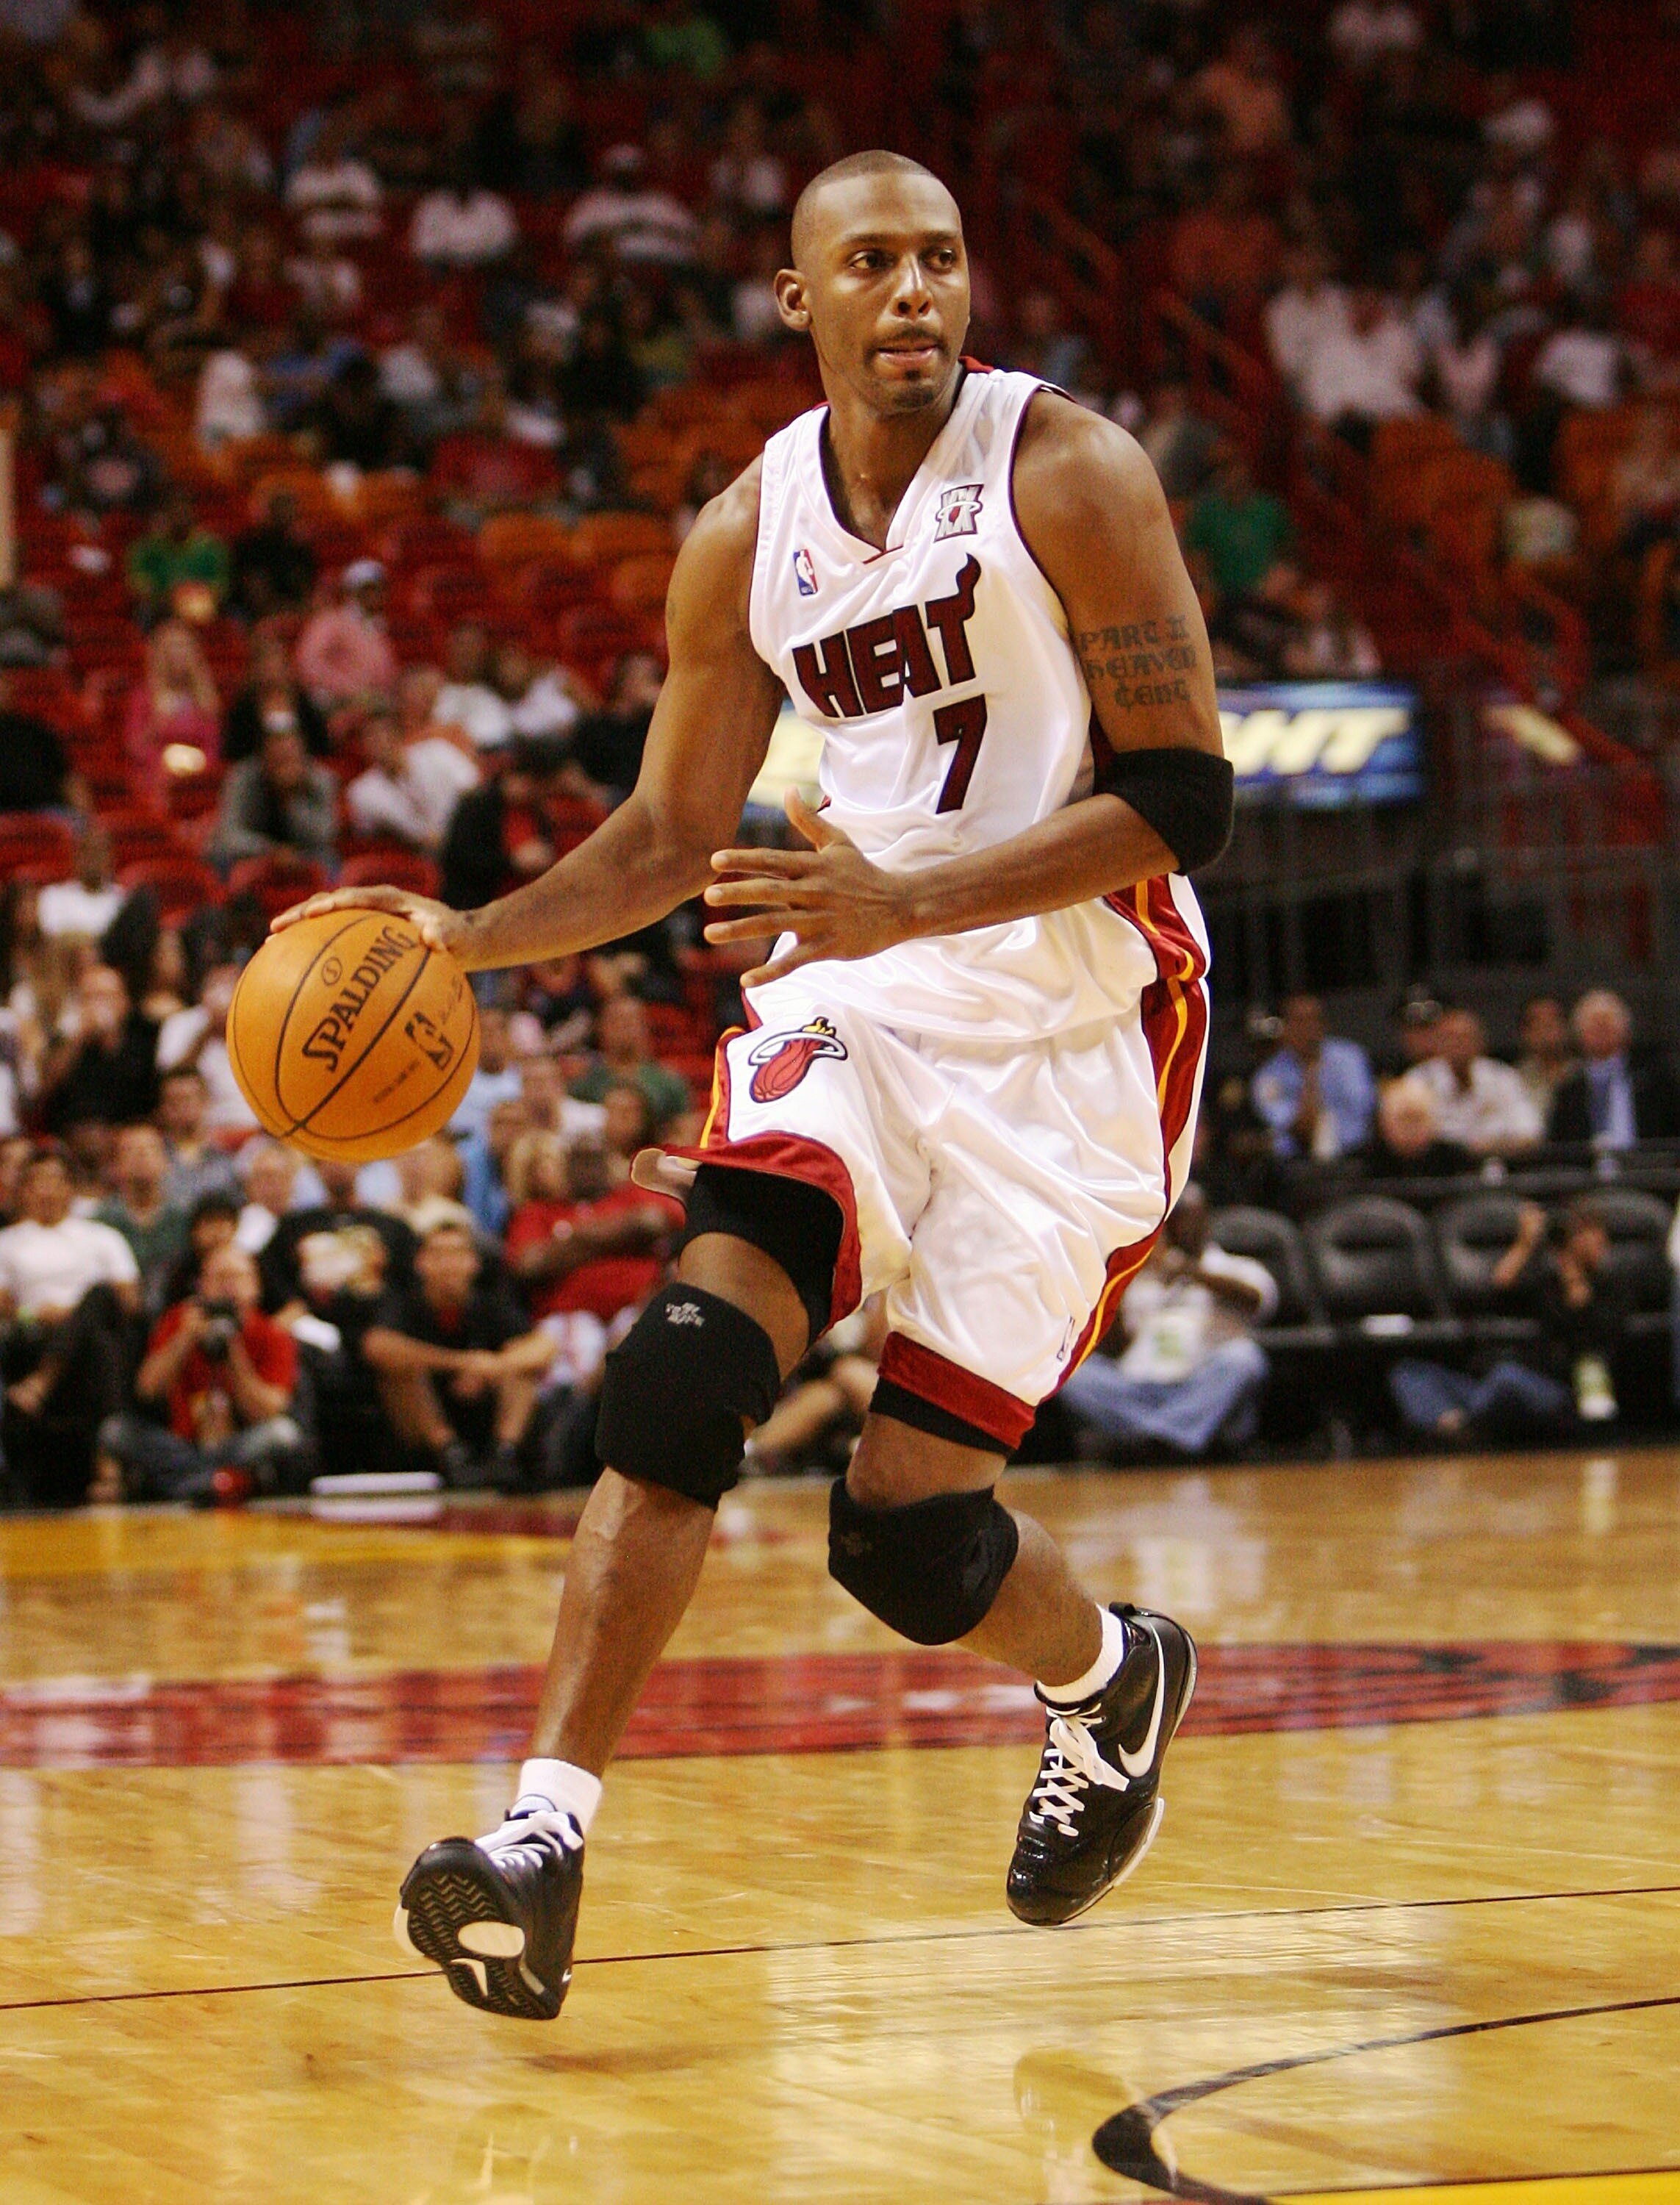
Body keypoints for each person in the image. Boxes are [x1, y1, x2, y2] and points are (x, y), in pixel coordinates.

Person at [279, 151, 1230, 2021]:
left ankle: (1109, 1677)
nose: (912, 296)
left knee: (901, 1533)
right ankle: (541, 1837)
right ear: (795, 299)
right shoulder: (743, 532)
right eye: (868, 264)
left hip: (1080, 1019)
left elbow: (1183, 798)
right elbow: (664, 834)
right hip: (854, 989)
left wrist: (910, 893)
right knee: (688, 1364)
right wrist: (459, 939)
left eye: (941, 260)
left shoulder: (1072, 475)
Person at [1058, 1185, 1274, 1458]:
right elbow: (1117, 1346)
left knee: (1244, 1358)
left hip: (1198, 1385)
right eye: (1176, 1217)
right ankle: (1167, 1437)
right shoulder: (1145, 1277)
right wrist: (1120, 1279)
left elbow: (1253, 1299)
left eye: (1190, 1216)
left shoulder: (1232, 1267)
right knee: (1073, 1374)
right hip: (1140, 1387)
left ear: (1206, 1220)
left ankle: (1153, 1441)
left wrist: (1189, 1271)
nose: (1183, 1225)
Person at [1390, 1200, 1629, 1441]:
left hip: (1559, 1391)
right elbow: (1499, 1291)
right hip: (1503, 1384)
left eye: (1593, 1233)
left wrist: (1574, 1281)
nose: (1591, 1241)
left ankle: (1459, 1423)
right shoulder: (1546, 1283)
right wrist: (1524, 1244)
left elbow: (1594, 1333)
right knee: (1410, 1372)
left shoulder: (1614, 1286)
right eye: (1579, 1234)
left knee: (1507, 1379)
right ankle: (1455, 1424)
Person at [100, 1241, 305, 1505]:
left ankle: (191, 1485)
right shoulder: (178, 1321)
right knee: (116, 1431)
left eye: (238, 1277)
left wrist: (234, 1354)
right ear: (202, 1285)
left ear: (256, 1286)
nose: (228, 1286)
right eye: (219, 1277)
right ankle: (216, 1483)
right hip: (181, 1443)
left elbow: (269, 1410)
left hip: (238, 1444)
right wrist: (184, 1339)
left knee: (282, 1434)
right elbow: (147, 1390)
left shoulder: (272, 1334)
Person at [361, 1217, 553, 1485]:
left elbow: (543, 1347)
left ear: (474, 1263)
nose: (449, 1265)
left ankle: (504, 1453)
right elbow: (377, 1346)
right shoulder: (404, 1303)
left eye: (458, 1254)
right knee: (400, 1371)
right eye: (439, 1255)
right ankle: (450, 1454)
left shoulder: (492, 1302)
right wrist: (461, 1363)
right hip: (424, 1420)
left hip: (485, 1408)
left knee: (522, 1369)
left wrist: (493, 1367)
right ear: (421, 1263)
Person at [0, 1144, 140, 1506]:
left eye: (55, 1181)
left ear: (71, 1189)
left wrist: (71, 1315)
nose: (46, 1190)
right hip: (33, 1335)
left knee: (98, 1300)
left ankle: (42, 1383)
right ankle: (105, 1468)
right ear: (24, 1190)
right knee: (94, 1344)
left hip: (95, 1328)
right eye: (37, 1182)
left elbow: (127, 1300)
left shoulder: (100, 1236)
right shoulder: (9, 1242)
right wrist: (35, 1315)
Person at [1547, 990, 1680, 1149]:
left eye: (1607, 1023)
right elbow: (1559, 1147)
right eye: (1594, 1025)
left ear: (1625, 1028)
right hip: (1588, 1170)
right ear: (1579, 1033)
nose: (1601, 1030)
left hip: (1650, 1168)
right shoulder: (1568, 1090)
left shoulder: (1655, 1079)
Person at [1249, 994, 1376, 1160]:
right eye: (1298, 1022)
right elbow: (1300, 1128)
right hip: (1295, 1162)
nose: (1307, 1029)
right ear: (1284, 1027)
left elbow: (1366, 1108)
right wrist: (1309, 1074)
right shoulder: (1268, 1076)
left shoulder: (1350, 1057)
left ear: (1324, 1024)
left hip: (1354, 1155)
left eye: (1313, 1020)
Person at [39, 964, 159, 1135]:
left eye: (106, 997)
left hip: (128, 1133)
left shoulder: (145, 1039)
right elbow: (45, 1090)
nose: (99, 1004)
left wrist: (111, 1040)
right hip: (73, 1134)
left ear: (124, 1002)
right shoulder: (64, 1042)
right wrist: (80, 1038)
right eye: (90, 997)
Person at [346, 704, 480, 854]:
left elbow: (473, 788)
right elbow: (376, 840)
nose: (379, 743)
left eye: (383, 734)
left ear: (398, 734)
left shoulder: (437, 752)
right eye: (370, 737)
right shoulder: (361, 792)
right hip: (417, 856)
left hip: (466, 838)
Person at [207, 725, 340, 875]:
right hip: (251, 854)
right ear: (263, 756)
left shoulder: (321, 780)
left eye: (289, 757)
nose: (284, 765)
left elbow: (325, 834)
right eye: (278, 758)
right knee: (220, 858)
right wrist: (270, 851)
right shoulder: (242, 779)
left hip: (303, 852)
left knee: (329, 860)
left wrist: (291, 799)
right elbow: (230, 834)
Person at [1410, 1008, 1542, 1157]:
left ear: (1480, 1043)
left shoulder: (1503, 1077)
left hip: (1500, 1166)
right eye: (1450, 1038)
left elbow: (1530, 1133)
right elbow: (1411, 1139)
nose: (1458, 1044)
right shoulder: (1419, 1081)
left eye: (1465, 1038)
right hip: (1440, 1171)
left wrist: (1488, 1148)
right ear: (1438, 1043)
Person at [93, 1121, 188, 1315]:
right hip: (119, 1317)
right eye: (130, 1151)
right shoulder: (101, 1221)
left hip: (175, 1311)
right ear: (116, 1165)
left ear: (166, 1162)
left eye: (150, 1149)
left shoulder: (185, 1217)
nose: (141, 1156)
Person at [567, 995, 690, 1134]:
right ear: (602, 1028)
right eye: (617, 1021)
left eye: (631, 1021)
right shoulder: (585, 1083)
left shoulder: (668, 1082)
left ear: (645, 1027)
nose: (624, 1028)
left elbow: (684, 1131)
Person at [1359, 1076, 1476, 1181]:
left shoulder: (1457, 1163)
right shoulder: (1360, 1164)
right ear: (1383, 1122)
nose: (1411, 1128)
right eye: (1403, 1119)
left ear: (1434, 1122)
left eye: (1418, 1119)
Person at [157, 1063, 241, 1208]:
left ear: (206, 1101)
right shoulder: (155, 1158)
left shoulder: (226, 1161)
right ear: (163, 1107)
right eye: (174, 1101)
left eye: (188, 1099)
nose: (181, 1108)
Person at [37, 822, 124, 943]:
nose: (94, 859)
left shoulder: (123, 901)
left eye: (100, 852)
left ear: (111, 859)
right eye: (87, 851)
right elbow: (53, 941)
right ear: (76, 857)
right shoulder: (54, 897)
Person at [1514, 993, 1576, 1124]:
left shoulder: (1582, 1075)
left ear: (1566, 1028)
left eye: (1553, 1021)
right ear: (1525, 1033)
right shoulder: (1512, 1080)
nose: (1545, 1029)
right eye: (1537, 1022)